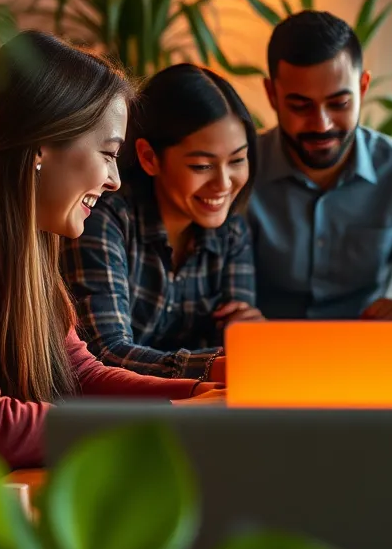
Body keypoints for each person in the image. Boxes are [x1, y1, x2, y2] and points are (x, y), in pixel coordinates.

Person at [0, 32, 219, 531]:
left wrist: (202, 393)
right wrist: (177, 417)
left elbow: (77, 375)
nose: (114, 180)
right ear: (41, 143)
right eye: (107, 153)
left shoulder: (24, 239)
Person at [246, 10, 392, 320]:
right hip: (257, 356)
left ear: (363, 87)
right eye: (300, 106)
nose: (322, 124)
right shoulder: (237, 173)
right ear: (272, 94)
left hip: (370, 357)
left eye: (339, 103)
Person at [62, 63, 260, 379]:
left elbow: (239, 351)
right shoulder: (105, 219)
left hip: (201, 409)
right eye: (202, 166)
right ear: (149, 158)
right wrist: (217, 363)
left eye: (237, 160)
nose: (224, 183)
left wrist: (248, 340)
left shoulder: (232, 232)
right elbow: (106, 352)